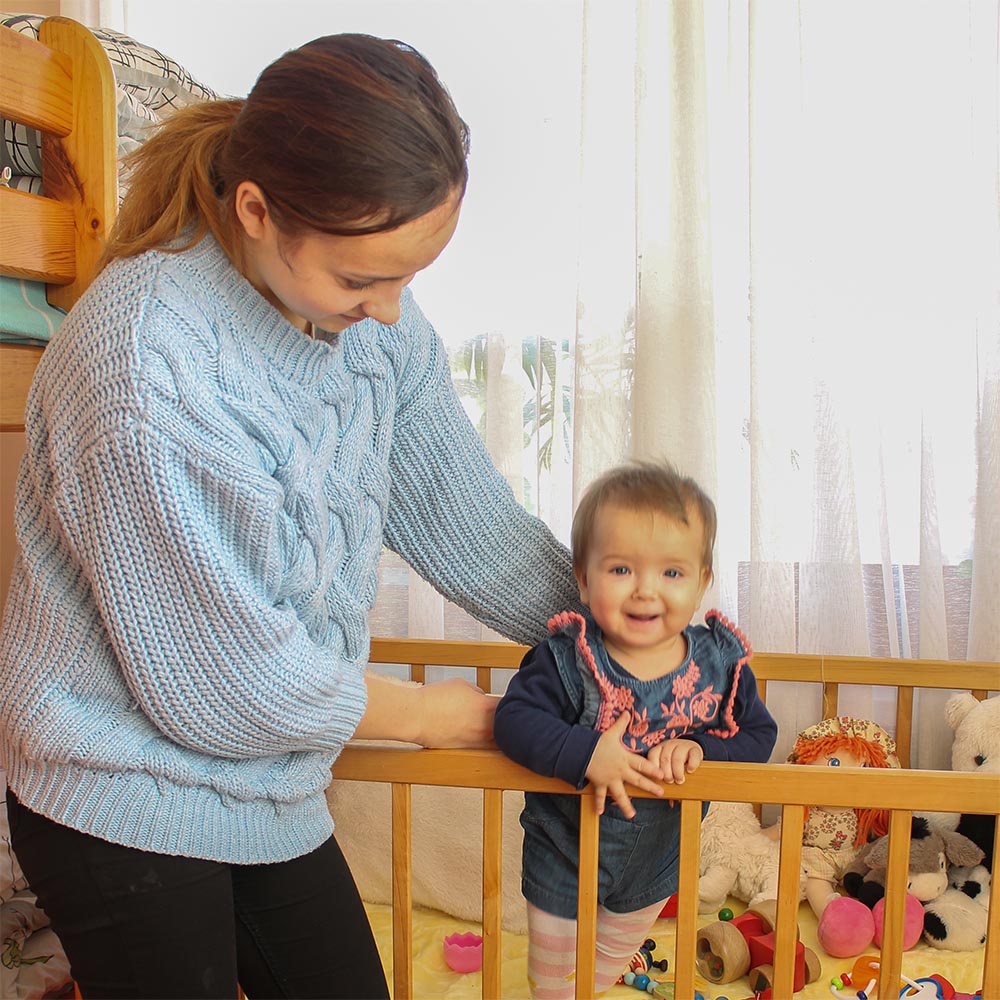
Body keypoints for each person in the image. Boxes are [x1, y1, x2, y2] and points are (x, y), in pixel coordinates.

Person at [0, 33, 582, 1000]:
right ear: (259, 212)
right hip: (117, 789)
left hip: (265, 779)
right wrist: (452, 717)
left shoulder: (373, 329)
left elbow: (464, 515)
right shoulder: (145, 368)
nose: (392, 314)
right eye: (363, 282)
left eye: (408, 278)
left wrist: (615, 626)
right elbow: (230, 682)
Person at [494, 460, 778, 1000]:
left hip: (658, 858)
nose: (646, 591)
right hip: (565, 848)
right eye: (621, 569)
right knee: (552, 978)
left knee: (606, 963)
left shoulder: (720, 666)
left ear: (702, 583)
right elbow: (514, 720)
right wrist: (586, 754)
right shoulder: (567, 658)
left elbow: (759, 737)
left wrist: (699, 747)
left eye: (672, 573)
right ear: (583, 577)